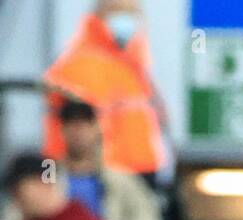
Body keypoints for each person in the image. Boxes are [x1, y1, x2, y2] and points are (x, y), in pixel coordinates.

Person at [42, 0, 167, 180]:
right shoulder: (81, 64)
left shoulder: (129, 63)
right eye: (119, 11)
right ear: (100, 14)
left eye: (133, 13)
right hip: (104, 175)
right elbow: (78, 129)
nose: (128, 20)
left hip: (137, 170)